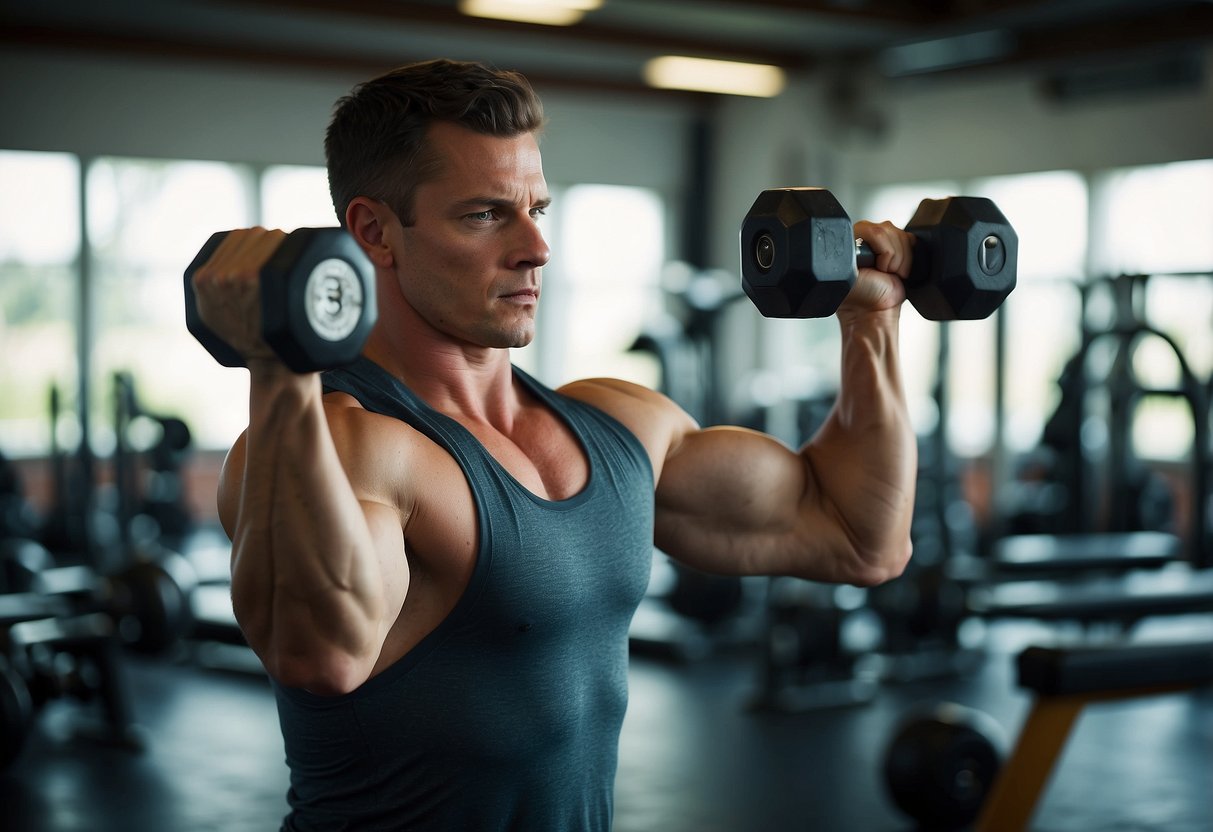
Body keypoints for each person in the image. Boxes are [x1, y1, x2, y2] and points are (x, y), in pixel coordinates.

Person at [191, 58, 917, 831]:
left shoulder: (617, 424)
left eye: (537, 207)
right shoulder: (348, 445)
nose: (535, 246)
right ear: (375, 232)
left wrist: (868, 323)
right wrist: (279, 365)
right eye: (483, 215)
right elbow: (318, 657)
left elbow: (857, 537)